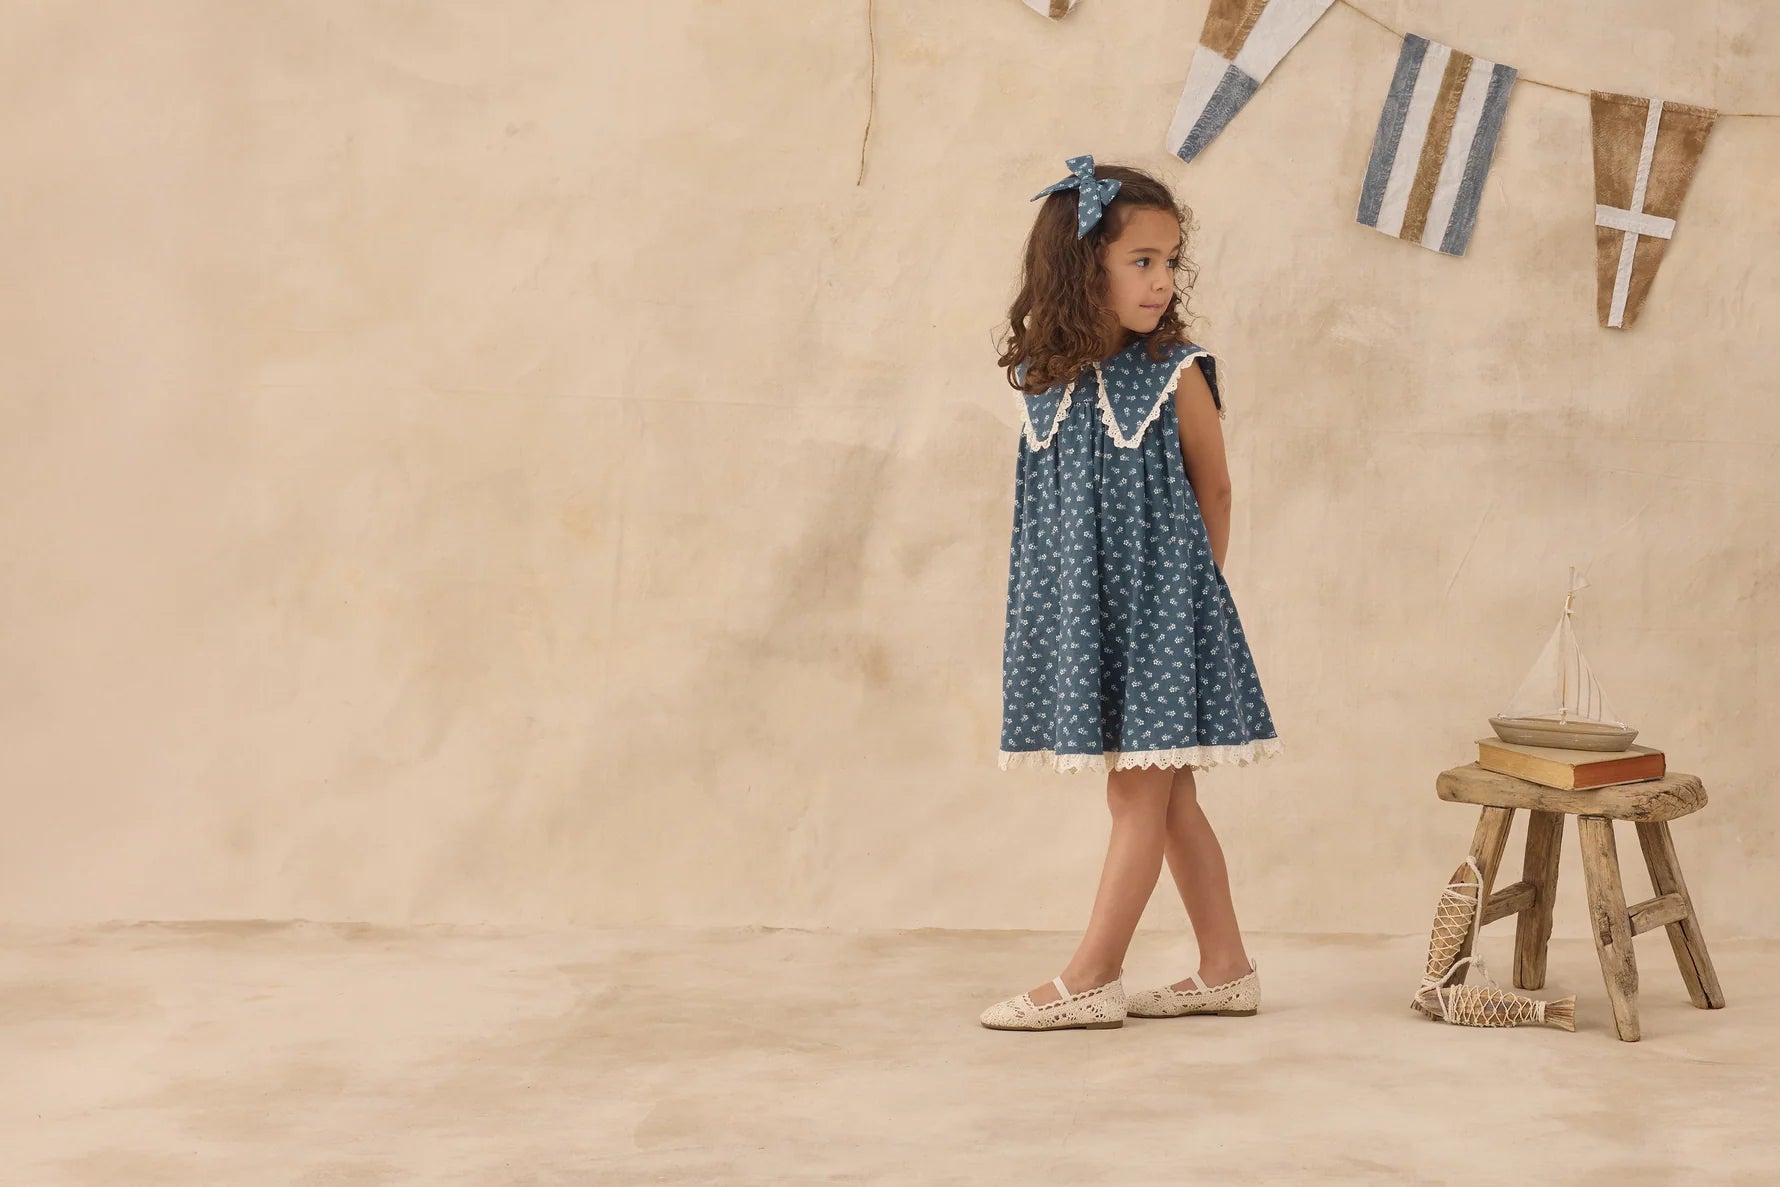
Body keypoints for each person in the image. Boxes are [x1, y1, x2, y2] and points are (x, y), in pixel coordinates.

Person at [979, 154, 1284, 1032]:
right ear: (1084, 271)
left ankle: (1092, 974)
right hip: (1087, 614)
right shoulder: (1044, 380)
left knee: (1134, 795)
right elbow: (1046, 514)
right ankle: (1225, 967)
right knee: (1169, 794)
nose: (1161, 281)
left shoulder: (1178, 370)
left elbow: (1213, 491)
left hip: (1162, 612)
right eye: (1140, 261)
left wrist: (1186, 603)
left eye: (1169, 262)